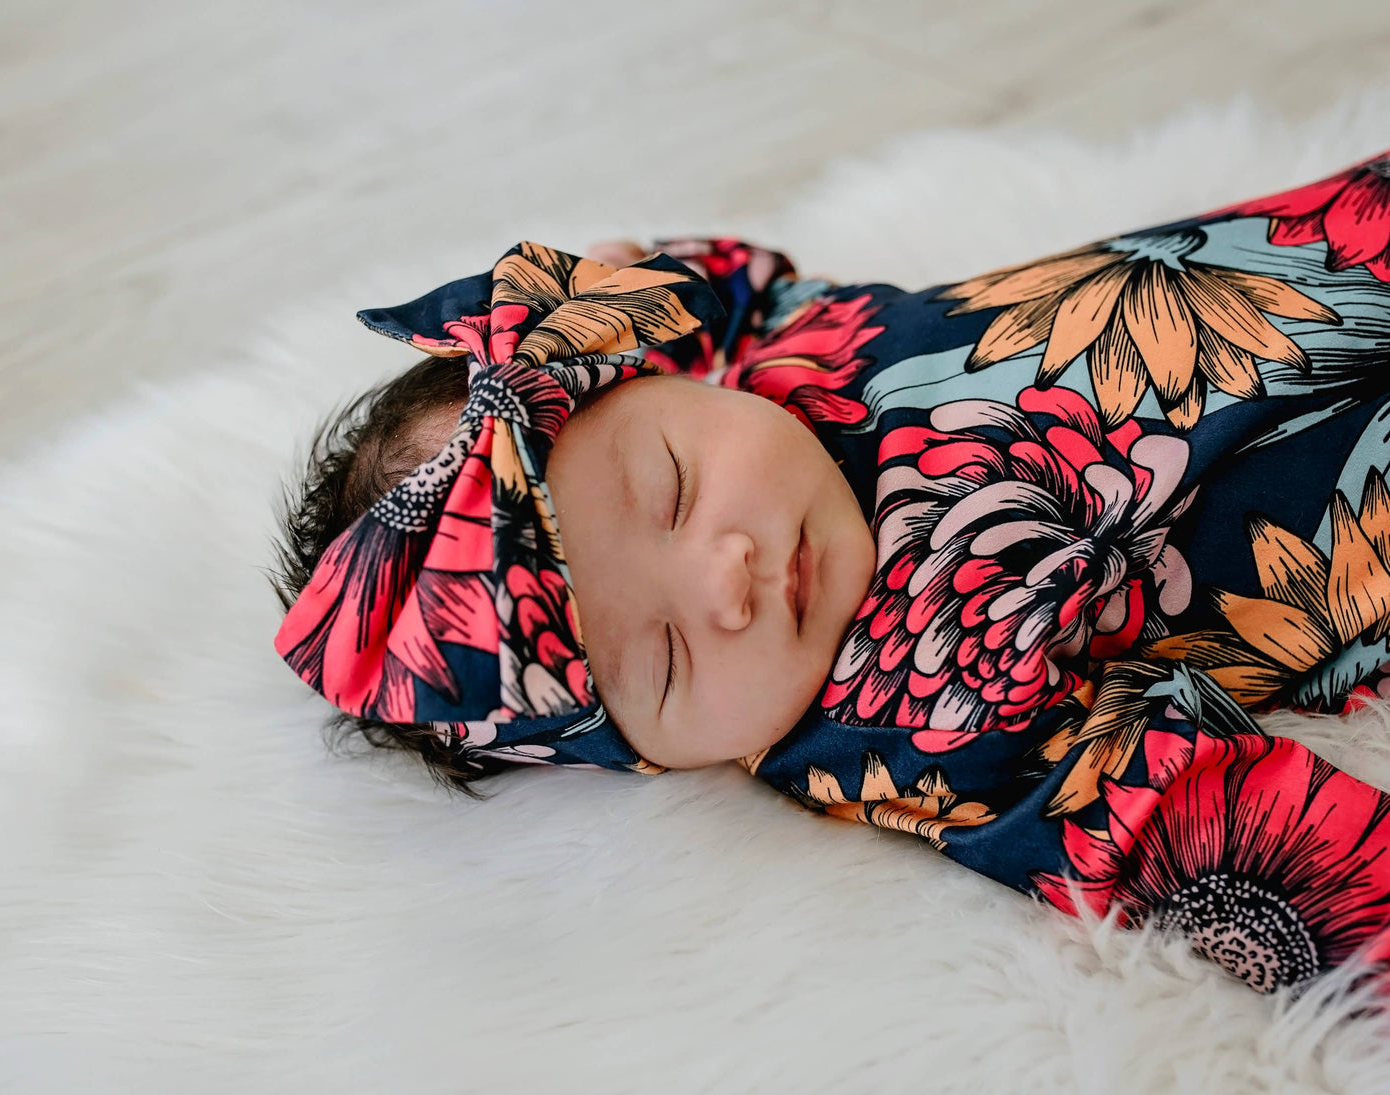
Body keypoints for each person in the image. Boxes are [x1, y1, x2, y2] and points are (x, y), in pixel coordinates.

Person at [274, 153, 1390, 993]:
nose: (727, 579)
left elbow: (707, 290)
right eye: (664, 660)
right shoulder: (900, 718)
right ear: (646, 756)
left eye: (670, 486)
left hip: (1322, 251)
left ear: (649, 381)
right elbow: (1152, 817)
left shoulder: (761, 354)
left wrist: (634, 267)